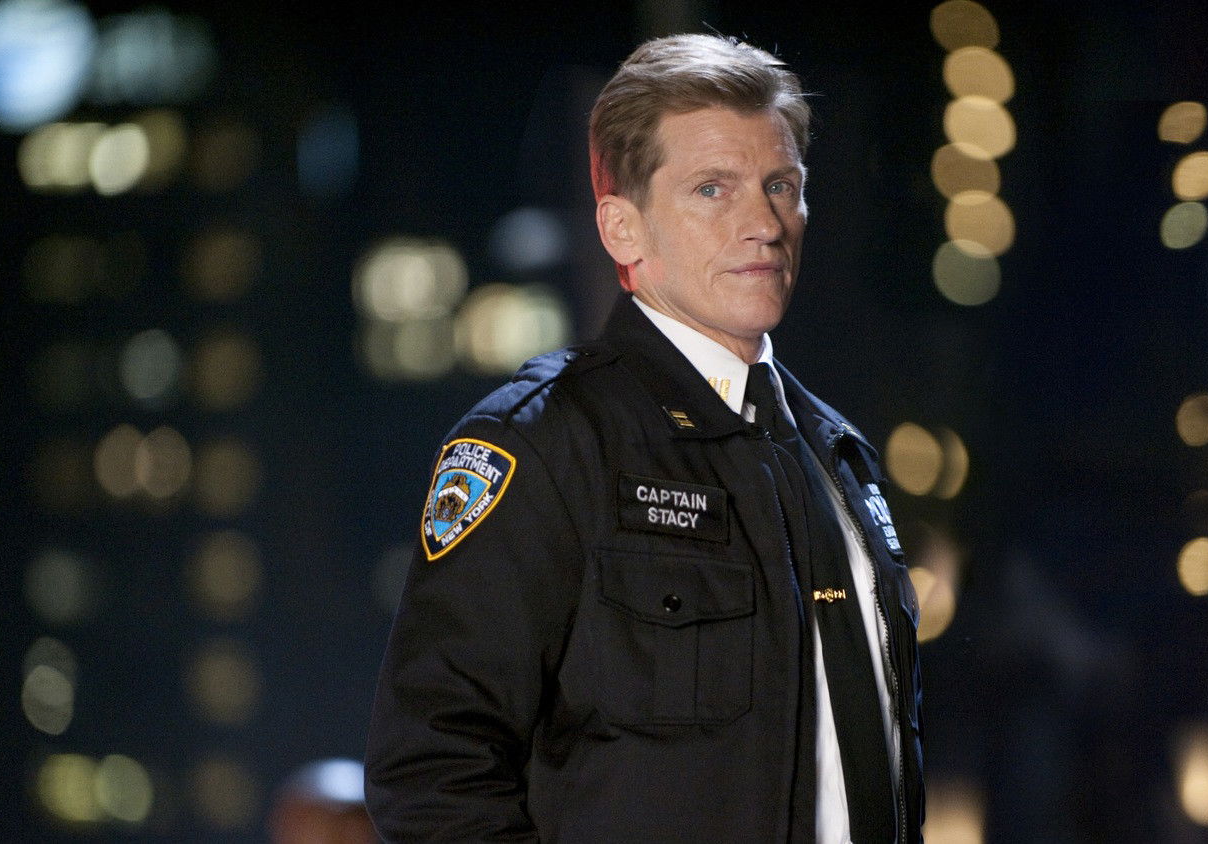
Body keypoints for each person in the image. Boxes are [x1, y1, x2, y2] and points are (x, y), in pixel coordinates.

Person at [364, 33, 924, 842]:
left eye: (781, 185)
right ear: (623, 229)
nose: (763, 223)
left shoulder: (839, 456)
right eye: (712, 189)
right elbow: (433, 774)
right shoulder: (545, 445)